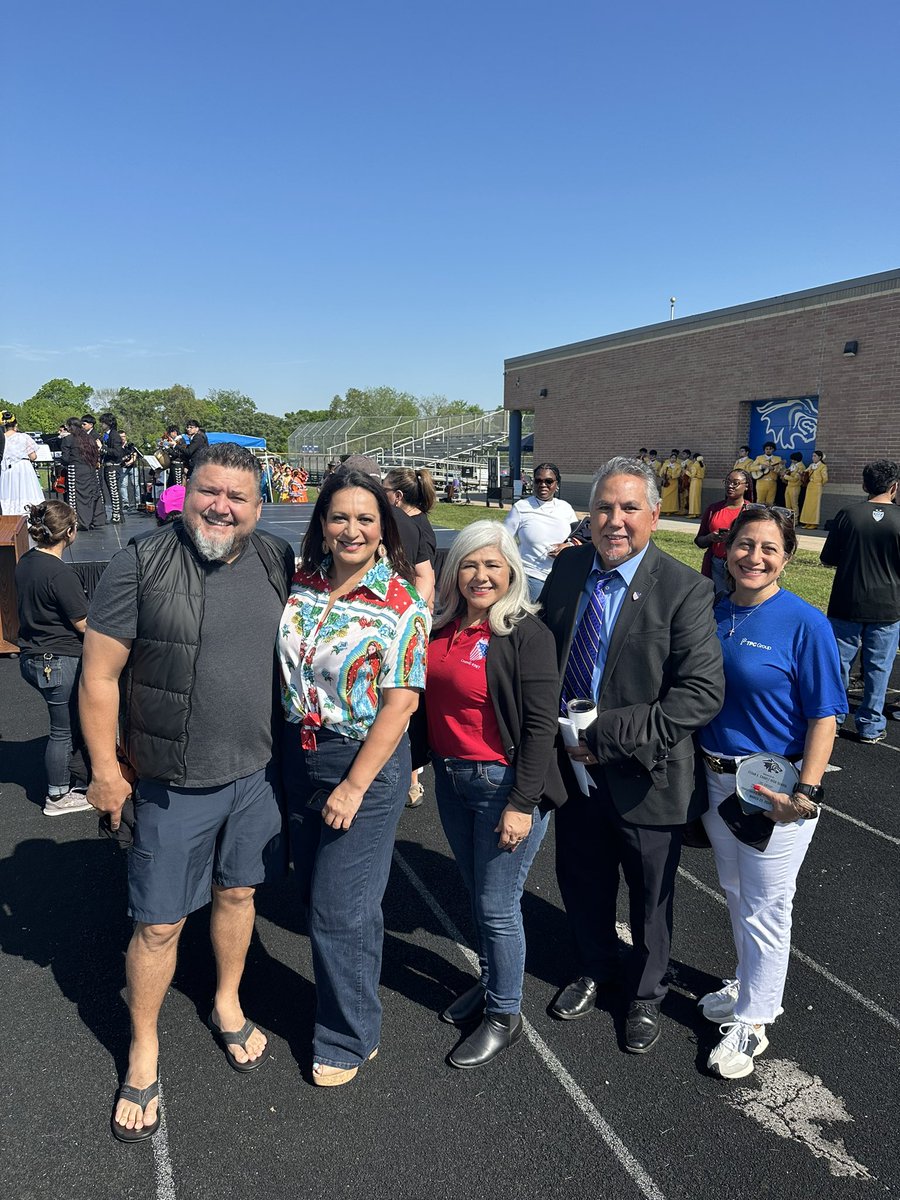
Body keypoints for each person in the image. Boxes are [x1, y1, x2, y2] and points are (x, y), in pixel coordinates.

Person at [80, 442, 295, 1141]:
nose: (220, 507)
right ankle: (143, 1045)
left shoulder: (272, 559)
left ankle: (227, 1003)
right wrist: (107, 772)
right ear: (186, 490)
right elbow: (100, 676)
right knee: (160, 924)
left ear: (259, 507)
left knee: (239, 895)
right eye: (209, 491)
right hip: (172, 784)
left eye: (236, 497)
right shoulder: (139, 562)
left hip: (255, 776)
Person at [540, 457, 724, 1053]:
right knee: (582, 882)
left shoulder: (685, 588)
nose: (614, 521)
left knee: (650, 902)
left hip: (646, 777)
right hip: (573, 775)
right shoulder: (568, 569)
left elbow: (700, 694)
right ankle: (595, 967)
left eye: (628, 509)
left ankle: (646, 995)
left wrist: (602, 737)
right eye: (603, 508)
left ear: (654, 514)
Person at [278, 469, 429, 1086]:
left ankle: (348, 1034)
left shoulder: (401, 604)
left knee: (338, 910)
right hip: (296, 754)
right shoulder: (300, 586)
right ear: (321, 524)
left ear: (384, 529)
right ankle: (356, 1001)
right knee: (329, 895)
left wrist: (354, 785)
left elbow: (401, 705)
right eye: (339, 517)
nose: (352, 529)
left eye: (366, 519)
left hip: (360, 763)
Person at [696, 506, 843, 1078]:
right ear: (726, 549)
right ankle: (748, 985)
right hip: (715, 780)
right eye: (743, 545)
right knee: (735, 891)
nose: (753, 557)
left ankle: (756, 1020)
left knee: (766, 907)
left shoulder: (805, 623)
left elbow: (825, 717)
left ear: (787, 556)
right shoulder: (713, 614)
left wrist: (804, 794)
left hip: (774, 788)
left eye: (768, 548)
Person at [427, 522, 563, 1067]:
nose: (481, 576)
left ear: (511, 571)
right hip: (450, 778)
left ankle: (504, 1014)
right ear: (454, 571)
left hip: (502, 786)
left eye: (493, 566)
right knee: (476, 891)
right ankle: (489, 986)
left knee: (496, 905)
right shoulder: (443, 626)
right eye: (469, 565)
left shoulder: (527, 634)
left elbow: (539, 729)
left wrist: (521, 805)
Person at [16, 501, 91, 815]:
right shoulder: (59, 573)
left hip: (32, 656)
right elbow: (84, 624)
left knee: (70, 722)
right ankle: (58, 797)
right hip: (57, 661)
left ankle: (78, 777)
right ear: (69, 533)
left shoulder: (26, 562)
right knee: (62, 729)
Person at [820, 459, 900, 744]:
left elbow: (827, 558)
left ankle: (834, 720)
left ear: (864, 485)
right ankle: (870, 725)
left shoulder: (848, 514)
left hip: (846, 602)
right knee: (879, 667)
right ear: (895, 487)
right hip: (888, 605)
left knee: (839, 665)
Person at [383, 465, 439, 806]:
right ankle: (411, 776)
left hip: (409, 622)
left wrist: (414, 617)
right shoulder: (414, 523)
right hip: (411, 619)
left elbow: (425, 578)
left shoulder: (413, 527)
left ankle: (412, 776)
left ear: (397, 496)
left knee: (406, 701)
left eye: (384, 491)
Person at [503, 463, 579, 601]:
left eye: (548, 481)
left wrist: (568, 546)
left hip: (560, 578)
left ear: (557, 484)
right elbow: (503, 540)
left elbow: (577, 536)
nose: (543, 484)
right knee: (533, 619)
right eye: (538, 481)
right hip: (531, 577)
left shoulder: (565, 508)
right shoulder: (521, 508)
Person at [695, 470, 752, 594]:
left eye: (735, 483)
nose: (730, 486)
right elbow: (699, 540)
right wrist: (710, 537)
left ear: (746, 486)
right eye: (727, 482)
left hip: (743, 566)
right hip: (717, 565)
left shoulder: (752, 511)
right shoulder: (713, 509)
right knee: (718, 602)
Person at [60, 416, 105, 529]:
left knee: (76, 497)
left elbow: (65, 459)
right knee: (92, 494)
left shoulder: (68, 439)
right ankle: (96, 519)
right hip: (90, 469)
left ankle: (80, 521)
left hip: (76, 470)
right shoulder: (89, 439)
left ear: (70, 427)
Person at [0, 413, 44, 515]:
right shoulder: (24, 437)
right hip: (23, 468)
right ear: (15, 425)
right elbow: (33, 456)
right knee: (26, 492)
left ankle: (9, 516)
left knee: (8, 494)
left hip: (6, 469)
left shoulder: (2, 438)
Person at [99, 412, 124, 523]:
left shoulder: (114, 435)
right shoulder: (107, 435)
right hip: (108, 466)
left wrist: (103, 448)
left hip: (113, 467)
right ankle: (118, 514)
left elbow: (117, 452)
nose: (101, 425)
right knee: (112, 491)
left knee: (114, 492)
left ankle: (117, 515)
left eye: (103, 422)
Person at [799, 450, 828, 528]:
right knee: (808, 504)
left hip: (817, 486)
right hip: (810, 486)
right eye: (813, 456)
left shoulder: (823, 466)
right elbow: (805, 471)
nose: (813, 458)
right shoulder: (811, 465)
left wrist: (819, 484)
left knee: (815, 505)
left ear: (820, 457)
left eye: (815, 456)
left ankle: (814, 523)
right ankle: (807, 522)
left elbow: (825, 478)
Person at [780, 451, 805, 521]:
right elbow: (787, 471)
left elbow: (795, 479)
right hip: (789, 486)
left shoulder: (801, 467)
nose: (791, 460)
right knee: (788, 504)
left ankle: (795, 520)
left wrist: (785, 476)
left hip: (795, 487)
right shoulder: (793, 465)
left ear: (796, 459)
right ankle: (788, 519)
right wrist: (783, 467)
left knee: (794, 504)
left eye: (792, 459)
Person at [120, 431, 140, 511]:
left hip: (133, 467)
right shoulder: (118, 447)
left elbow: (135, 455)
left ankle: (138, 502)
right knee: (123, 485)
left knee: (135, 484)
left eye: (124, 436)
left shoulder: (130, 445)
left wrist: (130, 462)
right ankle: (125, 503)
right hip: (123, 467)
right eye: (121, 436)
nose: (122, 438)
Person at [687, 453, 706, 518]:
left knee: (693, 497)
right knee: (697, 497)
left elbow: (692, 475)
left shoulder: (695, 465)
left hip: (694, 481)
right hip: (700, 481)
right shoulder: (703, 464)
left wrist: (686, 472)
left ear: (695, 458)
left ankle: (693, 513)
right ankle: (697, 512)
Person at [678, 450, 692, 515]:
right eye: (682, 454)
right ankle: (681, 509)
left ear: (688, 455)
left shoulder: (690, 463)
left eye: (684, 454)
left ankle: (686, 510)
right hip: (681, 480)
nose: (683, 455)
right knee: (681, 495)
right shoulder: (681, 462)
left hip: (686, 480)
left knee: (686, 495)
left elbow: (690, 472)